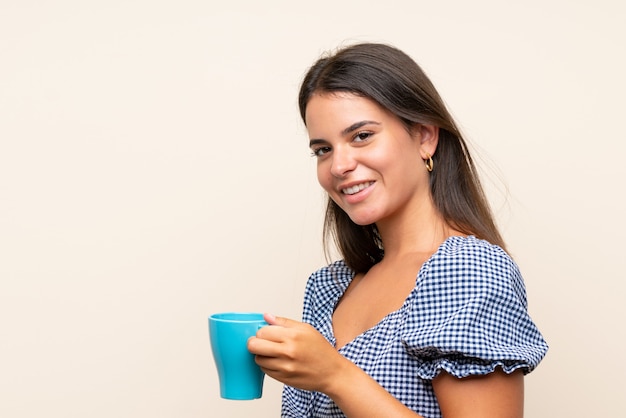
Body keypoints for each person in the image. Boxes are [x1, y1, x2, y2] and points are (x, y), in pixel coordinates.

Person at [247, 42, 548, 418]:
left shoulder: (467, 271)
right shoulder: (329, 289)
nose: (339, 165)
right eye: (323, 149)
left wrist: (338, 377)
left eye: (361, 136)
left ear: (424, 137)